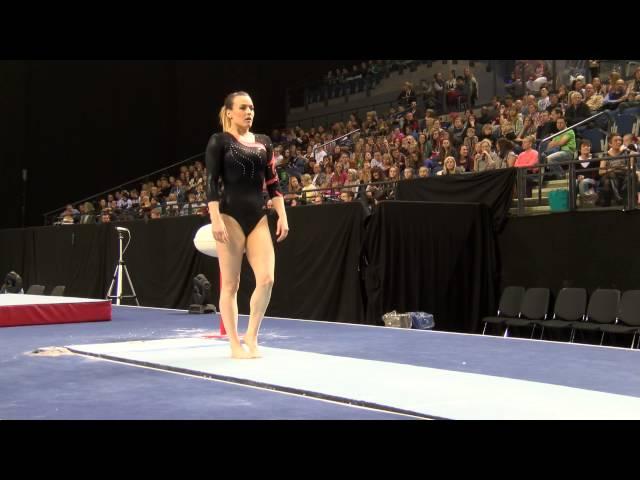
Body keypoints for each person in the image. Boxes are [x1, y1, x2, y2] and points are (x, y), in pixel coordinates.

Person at [206, 91, 289, 359]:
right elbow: (211, 183)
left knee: (266, 279)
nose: (249, 112)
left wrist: (283, 215)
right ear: (229, 112)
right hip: (229, 216)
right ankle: (233, 343)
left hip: (258, 216)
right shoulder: (219, 141)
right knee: (230, 284)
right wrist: (215, 218)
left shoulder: (264, 142)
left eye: (252, 107)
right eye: (243, 107)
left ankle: (251, 335)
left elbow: (273, 183)